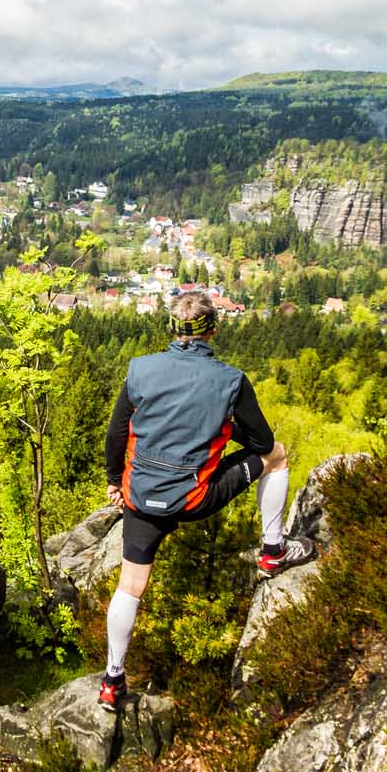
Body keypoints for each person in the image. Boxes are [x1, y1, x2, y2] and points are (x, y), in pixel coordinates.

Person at [97, 290, 315, 709]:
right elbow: (263, 442)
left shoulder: (140, 370)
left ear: (172, 330)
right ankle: (273, 551)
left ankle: (112, 680)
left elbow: (116, 434)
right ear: (213, 329)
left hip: (141, 497)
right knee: (278, 456)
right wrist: (224, 427)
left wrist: (114, 482)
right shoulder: (230, 380)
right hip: (196, 497)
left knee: (130, 586)